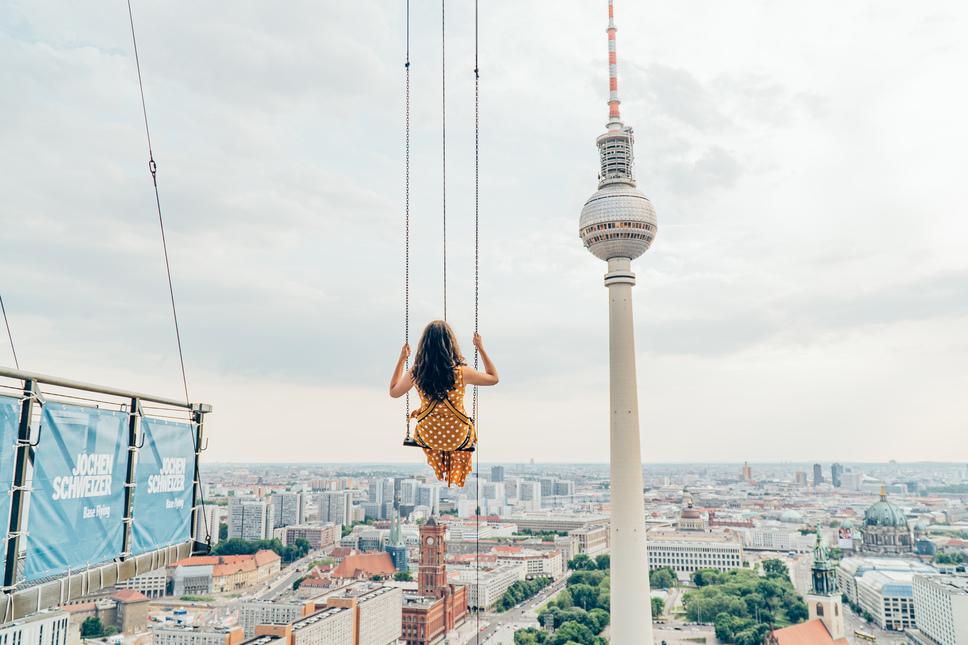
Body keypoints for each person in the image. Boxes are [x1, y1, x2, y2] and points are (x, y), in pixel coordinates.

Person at [389, 320, 499, 486]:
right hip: (458, 437)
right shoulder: (462, 373)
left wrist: (402, 359)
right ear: (450, 344)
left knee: (430, 429)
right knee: (465, 429)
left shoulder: (416, 372)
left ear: (424, 345)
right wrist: (481, 348)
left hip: (428, 436)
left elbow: (393, 392)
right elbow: (494, 378)